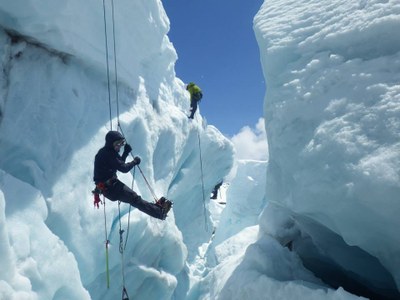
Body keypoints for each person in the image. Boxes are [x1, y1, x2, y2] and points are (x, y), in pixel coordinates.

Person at [93, 130, 172, 220]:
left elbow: (118, 164)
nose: (119, 147)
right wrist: (135, 162)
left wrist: (125, 153)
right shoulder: (109, 154)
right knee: (135, 199)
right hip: (111, 188)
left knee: (134, 199)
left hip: (109, 188)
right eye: (118, 144)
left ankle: (155, 209)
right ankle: (159, 213)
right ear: (111, 143)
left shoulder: (106, 152)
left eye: (121, 144)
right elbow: (123, 168)